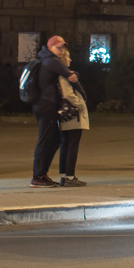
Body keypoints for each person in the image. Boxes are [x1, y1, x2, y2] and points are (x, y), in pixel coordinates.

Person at [30, 35, 78, 187]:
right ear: (50, 47)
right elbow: (72, 77)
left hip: (44, 105)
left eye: (63, 47)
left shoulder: (45, 59)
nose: (62, 50)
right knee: (46, 140)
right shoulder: (52, 61)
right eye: (58, 47)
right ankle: (38, 176)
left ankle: (42, 173)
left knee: (55, 139)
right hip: (47, 105)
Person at [56, 46, 91, 185]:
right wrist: (80, 104)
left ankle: (66, 174)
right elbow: (68, 94)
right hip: (72, 115)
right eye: (68, 57)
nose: (70, 59)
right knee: (72, 144)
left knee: (67, 144)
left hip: (68, 114)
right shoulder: (64, 75)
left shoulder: (60, 75)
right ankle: (69, 176)